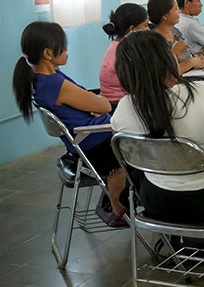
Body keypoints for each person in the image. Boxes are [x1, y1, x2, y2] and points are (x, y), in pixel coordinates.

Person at [111, 30, 204, 265]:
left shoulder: (124, 108)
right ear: (168, 60)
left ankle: (184, 243)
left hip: (156, 201)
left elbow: (127, 159)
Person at [13, 21, 126, 219]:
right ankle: (119, 202)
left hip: (88, 141)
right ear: (48, 53)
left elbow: (86, 98)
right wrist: (94, 105)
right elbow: (105, 106)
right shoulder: (53, 83)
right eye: (63, 47)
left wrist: (91, 104)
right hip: (101, 146)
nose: (67, 50)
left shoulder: (45, 78)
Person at [99, 3, 150, 107]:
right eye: (145, 25)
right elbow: (143, 85)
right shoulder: (124, 52)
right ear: (132, 29)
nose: (148, 29)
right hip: (120, 106)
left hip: (124, 103)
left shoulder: (118, 46)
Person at [147, 0, 204, 75]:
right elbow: (163, 74)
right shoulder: (153, 40)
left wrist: (198, 60)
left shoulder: (176, 32)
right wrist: (190, 63)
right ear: (165, 16)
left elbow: (187, 56)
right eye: (175, 9)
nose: (179, 12)